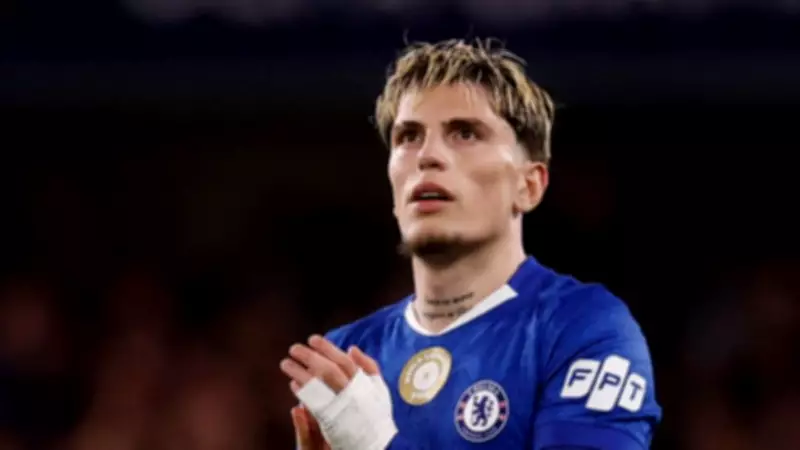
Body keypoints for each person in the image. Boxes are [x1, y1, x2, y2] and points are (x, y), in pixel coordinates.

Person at [279, 38, 662, 449]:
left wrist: (376, 444)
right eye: (408, 136)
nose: (427, 155)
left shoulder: (583, 328)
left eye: (465, 133)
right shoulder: (348, 357)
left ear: (529, 186)